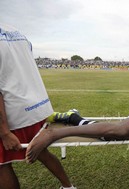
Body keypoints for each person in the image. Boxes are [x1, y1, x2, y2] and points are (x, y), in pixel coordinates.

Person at [0, 24, 76, 189]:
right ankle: (68, 187)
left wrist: (5, 132)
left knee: (1, 165)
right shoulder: (16, 32)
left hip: (13, 113)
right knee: (42, 152)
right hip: (36, 108)